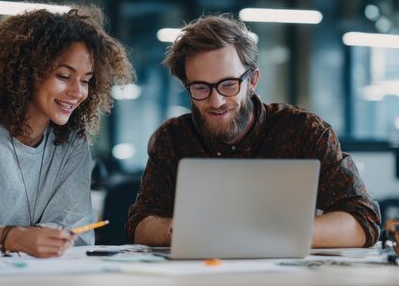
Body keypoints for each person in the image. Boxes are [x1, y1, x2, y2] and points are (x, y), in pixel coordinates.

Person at [126, 14, 380, 248]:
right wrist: (186, 230)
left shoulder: (304, 132)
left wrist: (277, 234)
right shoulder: (173, 139)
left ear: (253, 80)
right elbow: (139, 225)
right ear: (186, 85)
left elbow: (363, 221)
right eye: (201, 88)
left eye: (228, 85)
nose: (216, 101)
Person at [0, 5, 134, 258]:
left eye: (86, 80)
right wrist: (16, 238)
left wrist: (43, 238)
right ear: (26, 73)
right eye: (64, 75)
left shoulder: (71, 144)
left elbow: (77, 231)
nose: (78, 92)